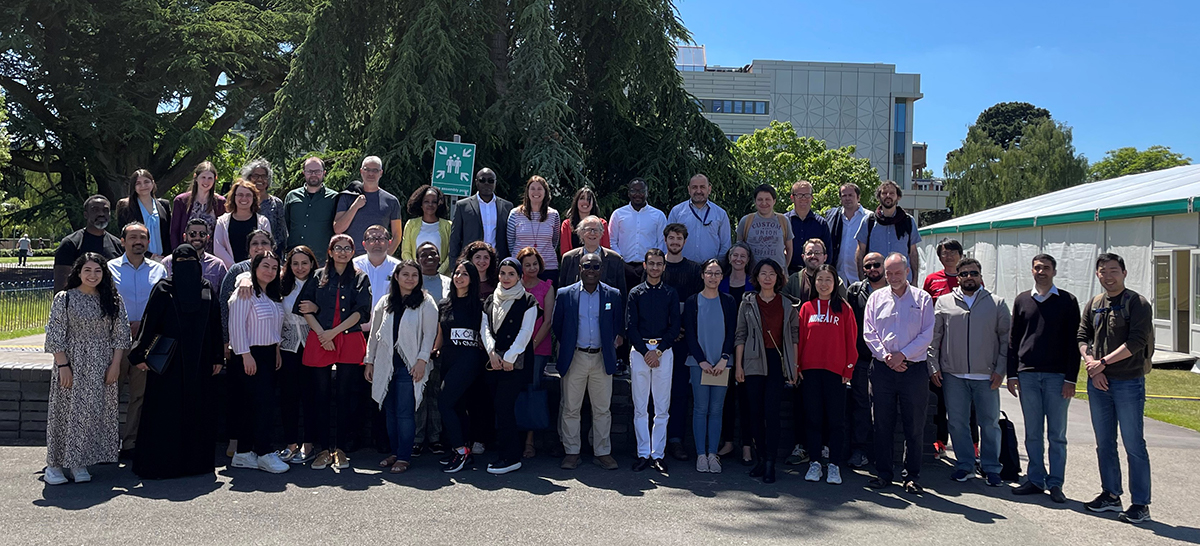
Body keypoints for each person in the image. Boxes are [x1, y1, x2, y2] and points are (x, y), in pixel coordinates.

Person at [127, 244, 224, 479]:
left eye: (190, 261)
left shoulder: (207, 289)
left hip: (199, 363)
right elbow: (150, 323)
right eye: (180, 263)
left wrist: (217, 357)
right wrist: (139, 355)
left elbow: (215, 324)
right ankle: (161, 466)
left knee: (197, 412)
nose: (186, 267)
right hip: (167, 364)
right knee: (164, 414)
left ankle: (195, 465)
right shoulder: (163, 289)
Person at [1078, 253, 1154, 524]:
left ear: (1124, 272)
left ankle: (1141, 503)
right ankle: (1111, 495)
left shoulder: (1138, 303)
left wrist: (1102, 364)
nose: (1108, 276)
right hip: (1098, 383)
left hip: (1128, 382)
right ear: (1097, 274)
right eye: (1102, 271)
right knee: (1104, 443)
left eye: (1113, 270)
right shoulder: (1095, 303)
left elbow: (1136, 341)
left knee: (1134, 444)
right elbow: (1082, 335)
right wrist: (1091, 363)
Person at [43, 253, 131, 485]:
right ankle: (54, 465)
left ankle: (78, 461)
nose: (92, 275)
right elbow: (54, 335)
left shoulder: (112, 300)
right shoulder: (65, 298)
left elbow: (121, 335)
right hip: (72, 363)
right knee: (65, 413)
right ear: (78, 272)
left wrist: (115, 365)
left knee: (91, 415)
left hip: (101, 366)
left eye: (97, 271)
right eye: (88, 270)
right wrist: (63, 365)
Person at [929, 257, 1010, 486]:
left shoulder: (997, 303)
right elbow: (934, 338)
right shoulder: (944, 302)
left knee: (990, 423)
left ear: (980, 275)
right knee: (957, 422)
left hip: (986, 376)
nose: (968, 277)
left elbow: (1006, 341)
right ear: (958, 277)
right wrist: (933, 365)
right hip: (954, 375)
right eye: (963, 274)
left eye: (973, 273)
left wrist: (1000, 370)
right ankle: (965, 465)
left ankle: (992, 467)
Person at [1006, 253, 1080, 504]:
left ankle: (1056, 483)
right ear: (1032, 270)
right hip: (1027, 375)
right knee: (1033, 432)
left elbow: (1074, 343)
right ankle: (1036, 479)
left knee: (1057, 434)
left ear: (1054, 272)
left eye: (1046, 268)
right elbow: (1013, 340)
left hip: (1058, 377)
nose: (1041, 272)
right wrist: (1012, 373)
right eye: (1037, 268)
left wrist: (1072, 378)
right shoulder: (1022, 300)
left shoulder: (1068, 301)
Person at [295, 234, 373, 470]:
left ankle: (340, 448)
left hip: (348, 339)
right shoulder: (318, 276)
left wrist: (333, 332)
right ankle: (322, 450)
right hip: (320, 339)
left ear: (352, 251)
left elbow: (361, 312)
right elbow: (304, 307)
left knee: (346, 395)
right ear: (330, 251)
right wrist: (322, 334)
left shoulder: (360, 277)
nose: (342, 252)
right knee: (319, 395)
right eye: (337, 248)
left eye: (347, 248)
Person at [864, 253, 934, 494]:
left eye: (897, 272)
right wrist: (887, 357)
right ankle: (883, 473)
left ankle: (911, 476)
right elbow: (869, 332)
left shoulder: (923, 299)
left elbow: (927, 335)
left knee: (914, 425)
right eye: (889, 273)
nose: (893, 277)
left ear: (907, 272)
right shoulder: (876, 298)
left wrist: (902, 355)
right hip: (883, 369)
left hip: (913, 370)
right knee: (881, 424)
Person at [365, 260, 439, 473]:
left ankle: (405, 456)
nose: (410, 279)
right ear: (396, 277)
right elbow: (374, 334)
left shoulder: (426, 302)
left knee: (405, 413)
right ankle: (395, 452)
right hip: (386, 365)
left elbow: (429, 334)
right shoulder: (385, 302)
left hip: (410, 367)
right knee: (390, 412)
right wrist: (369, 361)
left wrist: (422, 360)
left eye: (414, 275)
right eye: (405, 274)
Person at [553, 252, 624, 471]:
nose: (591, 271)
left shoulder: (613, 294)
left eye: (595, 267)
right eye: (587, 266)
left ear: (601, 270)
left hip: (602, 358)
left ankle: (602, 452)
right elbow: (558, 326)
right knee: (571, 408)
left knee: (602, 409)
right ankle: (572, 452)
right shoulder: (565, 294)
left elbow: (618, 325)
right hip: (575, 356)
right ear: (579, 269)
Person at [780, 238, 845, 467]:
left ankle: (825, 448)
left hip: (830, 358)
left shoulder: (836, 281)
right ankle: (802, 447)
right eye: (809, 253)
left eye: (818, 252)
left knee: (831, 408)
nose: (813, 256)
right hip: (802, 353)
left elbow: (844, 322)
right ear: (802, 256)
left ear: (825, 257)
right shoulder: (793, 281)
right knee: (803, 405)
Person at [734, 258, 799, 484]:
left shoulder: (787, 304)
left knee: (772, 414)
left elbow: (793, 338)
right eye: (763, 273)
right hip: (752, 362)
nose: (768, 277)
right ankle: (760, 457)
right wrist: (739, 366)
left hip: (776, 361)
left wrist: (794, 366)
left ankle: (771, 461)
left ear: (778, 277)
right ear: (757, 277)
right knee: (754, 413)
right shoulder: (748, 302)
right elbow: (740, 335)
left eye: (772, 273)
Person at [106, 222, 167, 459]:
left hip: (145, 343)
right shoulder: (109, 268)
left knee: (139, 396)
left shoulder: (158, 270)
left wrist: (145, 324)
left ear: (148, 242)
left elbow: (162, 306)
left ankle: (130, 443)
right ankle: (107, 442)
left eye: (143, 237)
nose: (138, 241)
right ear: (122, 241)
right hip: (115, 343)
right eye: (133, 237)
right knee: (111, 393)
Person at [227, 251, 289, 474]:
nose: (270, 271)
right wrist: (245, 355)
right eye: (265, 266)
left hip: (269, 354)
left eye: (274, 267)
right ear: (254, 267)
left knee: (261, 404)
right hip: (249, 355)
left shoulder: (271, 295)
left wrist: (277, 351)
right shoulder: (245, 292)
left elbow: (274, 327)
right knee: (257, 405)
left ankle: (244, 453)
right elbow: (236, 327)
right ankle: (262, 452)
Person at [797, 264, 858, 485]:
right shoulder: (806, 308)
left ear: (835, 283)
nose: (823, 284)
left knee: (836, 421)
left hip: (836, 372)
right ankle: (814, 462)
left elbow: (851, 340)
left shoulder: (844, 308)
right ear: (814, 283)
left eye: (828, 280)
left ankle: (833, 465)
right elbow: (800, 339)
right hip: (810, 371)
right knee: (813, 418)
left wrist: (848, 368)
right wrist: (797, 366)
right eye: (820, 279)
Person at [481, 258, 541, 475]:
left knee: (504, 407)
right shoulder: (490, 299)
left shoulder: (528, 301)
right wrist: (492, 353)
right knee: (499, 408)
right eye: (503, 273)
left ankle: (511, 457)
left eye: (511, 274)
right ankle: (503, 453)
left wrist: (509, 357)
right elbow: (485, 329)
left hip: (514, 365)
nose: (506, 278)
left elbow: (526, 333)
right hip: (494, 363)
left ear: (519, 277)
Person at [626, 249, 681, 474]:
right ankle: (643, 453)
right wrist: (644, 351)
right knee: (640, 406)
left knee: (661, 407)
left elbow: (675, 326)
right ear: (645, 265)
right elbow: (630, 326)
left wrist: (657, 351)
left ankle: (658, 454)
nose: (656, 267)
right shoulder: (635, 293)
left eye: (659, 264)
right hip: (640, 351)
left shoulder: (670, 293)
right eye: (652, 263)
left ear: (664, 267)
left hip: (663, 350)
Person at [683, 259, 736, 473]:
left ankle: (713, 453)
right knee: (700, 408)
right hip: (699, 364)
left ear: (722, 277)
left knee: (717, 410)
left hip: (723, 364)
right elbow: (690, 333)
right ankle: (701, 454)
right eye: (709, 273)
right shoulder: (692, 301)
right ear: (702, 275)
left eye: (717, 273)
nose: (713, 277)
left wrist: (724, 358)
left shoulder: (729, 301)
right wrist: (702, 361)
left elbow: (732, 331)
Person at [438, 260, 488, 473]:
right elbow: (441, 335)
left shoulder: (480, 305)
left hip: (469, 359)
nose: (459, 277)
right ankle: (461, 447)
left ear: (472, 279)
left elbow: (485, 334)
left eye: (464, 274)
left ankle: (460, 450)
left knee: (444, 401)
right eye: (456, 273)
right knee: (457, 405)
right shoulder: (444, 304)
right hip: (448, 358)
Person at [662, 223, 703, 461]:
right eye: (672, 238)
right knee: (656, 392)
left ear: (684, 242)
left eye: (679, 238)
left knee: (679, 391)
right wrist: (669, 330)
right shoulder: (656, 266)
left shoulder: (694, 270)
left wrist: (680, 330)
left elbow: (695, 305)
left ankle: (676, 440)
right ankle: (654, 440)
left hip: (683, 340)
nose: (675, 242)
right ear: (665, 239)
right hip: (660, 340)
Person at [923, 237, 966, 460]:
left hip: (963, 348)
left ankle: (972, 446)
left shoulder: (968, 279)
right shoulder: (932, 280)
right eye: (943, 253)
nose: (948, 256)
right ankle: (940, 441)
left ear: (960, 254)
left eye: (952, 252)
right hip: (938, 348)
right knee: (939, 399)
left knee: (966, 404)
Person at [845, 251, 887, 469]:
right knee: (861, 405)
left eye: (876, 265)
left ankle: (882, 454)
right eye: (868, 266)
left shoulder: (896, 291)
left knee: (884, 407)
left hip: (887, 360)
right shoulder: (855, 291)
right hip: (862, 359)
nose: (873, 270)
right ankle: (859, 450)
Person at [277, 246, 319, 465]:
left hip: (312, 343)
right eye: (295, 263)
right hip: (288, 346)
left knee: (310, 395)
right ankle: (290, 443)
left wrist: (316, 307)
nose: (300, 267)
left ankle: (309, 444)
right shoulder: (281, 284)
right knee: (288, 396)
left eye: (304, 263)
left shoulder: (320, 282)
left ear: (312, 263)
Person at [717, 242, 755, 465]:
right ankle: (728, 441)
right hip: (722, 345)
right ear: (729, 257)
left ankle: (748, 446)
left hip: (749, 348)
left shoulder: (755, 283)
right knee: (726, 397)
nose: (739, 259)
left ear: (748, 259)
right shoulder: (719, 282)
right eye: (735, 255)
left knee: (748, 398)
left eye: (743, 256)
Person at [517, 246, 555, 456]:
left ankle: (530, 440)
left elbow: (548, 320)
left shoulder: (546, 287)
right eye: (527, 264)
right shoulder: (513, 285)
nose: (532, 268)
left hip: (538, 347)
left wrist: (530, 346)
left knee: (533, 389)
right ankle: (514, 436)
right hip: (514, 348)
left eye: (535, 264)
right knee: (514, 389)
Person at [414, 242, 449, 455]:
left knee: (436, 393)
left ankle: (435, 437)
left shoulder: (448, 283)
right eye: (424, 254)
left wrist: (438, 345)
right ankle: (417, 438)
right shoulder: (412, 282)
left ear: (439, 256)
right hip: (417, 348)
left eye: (433, 253)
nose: (429, 257)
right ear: (418, 259)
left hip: (442, 347)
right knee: (418, 393)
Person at [334, 156, 403, 256]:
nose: (371, 174)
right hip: (348, 259)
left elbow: (397, 235)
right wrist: (355, 206)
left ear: (381, 173)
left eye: (375, 170)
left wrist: (385, 258)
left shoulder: (391, 201)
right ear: (361, 171)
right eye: (367, 170)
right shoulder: (347, 197)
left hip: (377, 260)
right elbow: (338, 229)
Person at [54, 195, 123, 292]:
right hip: (79, 304)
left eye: (105, 210)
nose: (101, 214)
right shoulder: (70, 244)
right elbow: (61, 286)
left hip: (110, 303)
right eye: (95, 210)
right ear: (86, 214)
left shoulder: (119, 245)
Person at [854, 180, 920, 281]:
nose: (888, 196)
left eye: (892, 193)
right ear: (879, 196)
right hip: (875, 281)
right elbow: (860, 251)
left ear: (898, 197)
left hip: (902, 280)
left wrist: (915, 280)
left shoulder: (908, 221)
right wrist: (861, 278)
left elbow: (913, 253)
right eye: (884, 193)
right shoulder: (869, 221)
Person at [609, 178, 667, 293]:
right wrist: (622, 262)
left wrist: (649, 264)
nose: (637, 194)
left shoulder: (658, 215)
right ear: (628, 193)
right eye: (634, 191)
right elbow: (612, 241)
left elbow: (662, 244)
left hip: (649, 270)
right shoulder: (618, 214)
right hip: (623, 268)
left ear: (647, 193)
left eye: (641, 191)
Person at [449, 168, 513, 262]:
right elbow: (455, 238)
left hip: (497, 262)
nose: (486, 183)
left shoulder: (507, 207)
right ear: (476, 182)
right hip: (470, 261)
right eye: (482, 180)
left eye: (490, 181)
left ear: (495, 183)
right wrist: (454, 265)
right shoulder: (463, 206)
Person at [283, 157, 339, 263]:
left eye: (317, 171)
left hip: (322, 259)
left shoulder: (334, 198)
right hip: (294, 258)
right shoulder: (291, 196)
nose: (313, 174)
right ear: (304, 173)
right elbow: (285, 227)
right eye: (309, 171)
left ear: (324, 173)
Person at [667, 174, 732, 264]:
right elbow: (668, 240)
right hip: (682, 268)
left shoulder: (720, 214)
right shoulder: (677, 212)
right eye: (694, 187)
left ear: (709, 189)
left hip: (710, 271)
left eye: (702, 187)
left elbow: (725, 245)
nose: (698, 191)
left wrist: (718, 266)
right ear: (689, 190)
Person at [507, 176, 561, 283]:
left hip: (548, 267)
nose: (536, 192)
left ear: (545, 192)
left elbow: (555, 241)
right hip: (521, 268)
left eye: (540, 189)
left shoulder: (553, 215)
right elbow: (511, 242)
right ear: (527, 192)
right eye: (532, 188)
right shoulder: (515, 214)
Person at [558, 216, 627, 293]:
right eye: (588, 230)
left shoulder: (615, 259)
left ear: (602, 233)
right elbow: (562, 291)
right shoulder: (569, 258)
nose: (592, 233)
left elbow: (622, 293)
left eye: (596, 230)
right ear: (581, 233)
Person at [214, 178, 273, 267]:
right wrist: (235, 268)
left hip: (256, 270)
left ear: (254, 198)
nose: (244, 198)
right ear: (234, 197)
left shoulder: (263, 222)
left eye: (248, 195)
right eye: (240, 195)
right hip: (229, 270)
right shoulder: (222, 222)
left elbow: (267, 247)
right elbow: (218, 248)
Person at [352, 224, 400, 333]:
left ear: (389, 243)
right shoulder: (353, 266)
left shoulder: (398, 268)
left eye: (381, 239)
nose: (377, 242)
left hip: (387, 329)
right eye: (372, 239)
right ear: (364, 244)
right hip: (356, 329)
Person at [115, 169, 172, 260]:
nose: (143, 186)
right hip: (138, 257)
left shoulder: (164, 205)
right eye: (138, 183)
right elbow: (124, 236)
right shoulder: (125, 206)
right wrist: (148, 256)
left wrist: (167, 256)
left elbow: (168, 234)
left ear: (152, 183)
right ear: (133, 186)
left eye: (146, 182)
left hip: (163, 258)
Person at [169, 161, 226, 251]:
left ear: (215, 179)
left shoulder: (220, 202)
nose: (206, 181)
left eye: (210, 178)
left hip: (211, 256)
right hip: (186, 254)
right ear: (195, 177)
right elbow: (174, 232)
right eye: (203, 177)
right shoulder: (181, 201)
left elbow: (223, 233)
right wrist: (177, 253)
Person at [737, 184, 792, 271]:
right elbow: (739, 249)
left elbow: (789, 249)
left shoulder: (783, 220)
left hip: (778, 276)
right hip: (752, 275)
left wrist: (784, 269)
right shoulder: (746, 221)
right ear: (755, 201)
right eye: (760, 199)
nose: (764, 203)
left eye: (767, 199)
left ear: (774, 201)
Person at [163, 218, 229, 289]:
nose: (197, 237)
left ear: (208, 238)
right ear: (185, 237)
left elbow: (225, 293)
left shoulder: (217, 265)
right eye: (192, 234)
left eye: (202, 234)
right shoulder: (168, 263)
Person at [401, 185, 452, 274]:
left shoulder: (448, 225)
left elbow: (451, 253)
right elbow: (406, 252)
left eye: (434, 202)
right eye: (426, 201)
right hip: (416, 275)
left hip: (441, 276)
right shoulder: (411, 224)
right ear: (421, 204)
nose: (430, 205)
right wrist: (415, 270)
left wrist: (438, 272)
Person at [824, 183, 868, 284]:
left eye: (850, 195)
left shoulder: (868, 218)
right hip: (839, 277)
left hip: (861, 277)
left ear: (858, 197)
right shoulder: (833, 217)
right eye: (844, 195)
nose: (847, 198)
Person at [784, 180, 831, 275]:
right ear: (792, 198)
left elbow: (828, 253)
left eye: (807, 195)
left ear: (812, 198)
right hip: (787, 273)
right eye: (799, 195)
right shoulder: (783, 221)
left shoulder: (821, 223)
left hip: (814, 275)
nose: (803, 198)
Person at [243, 158, 288, 258]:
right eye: (256, 176)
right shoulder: (242, 202)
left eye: (264, 176)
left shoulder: (276, 203)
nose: (260, 179)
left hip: (271, 257)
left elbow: (282, 235)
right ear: (249, 178)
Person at [559, 187, 610, 255]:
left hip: (598, 263)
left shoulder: (602, 224)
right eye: (582, 198)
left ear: (593, 203)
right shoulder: (567, 224)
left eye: (588, 199)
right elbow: (565, 252)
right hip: (573, 264)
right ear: (576, 201)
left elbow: (606, 250)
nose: (585, 202)